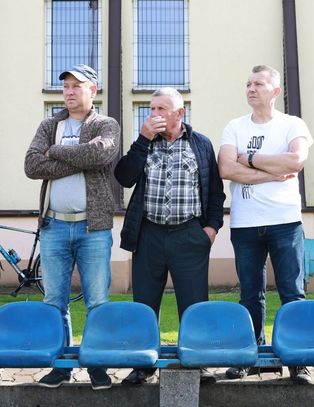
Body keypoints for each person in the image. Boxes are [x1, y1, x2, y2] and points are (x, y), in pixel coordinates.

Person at [114, 87, 225, 385]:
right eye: (151, 109)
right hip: (149, 234)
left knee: (194, 302)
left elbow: (215, 191)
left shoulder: (200, 144)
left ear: (179, 113)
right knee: (145, 302)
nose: (154, 114)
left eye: (161, 109)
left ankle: (197, 362)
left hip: (189, 234)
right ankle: (143, 364)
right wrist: (142, 140)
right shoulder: (144, 143)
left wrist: (211, 229)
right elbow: (123, 177)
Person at [24, 64, 120, 390]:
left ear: (93, 90)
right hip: (54, 226)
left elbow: (100, 155)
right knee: (54, 301)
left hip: (93, 228)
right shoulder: (49, 124)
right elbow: (31, 165)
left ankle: (97, 365)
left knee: (97, 301)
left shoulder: (105, 124)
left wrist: (55, 152)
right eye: (65, 86)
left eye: (76, 86)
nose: (68, 91)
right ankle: (61, 366)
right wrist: (77, 158)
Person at [217, 65, 313, 384]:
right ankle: (251, 356)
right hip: (245, 224)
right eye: (248, 83)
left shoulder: (292, 124)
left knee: (293, 292)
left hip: (285, 222)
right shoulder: (234, 127)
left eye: (258, 83)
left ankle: (297, 359)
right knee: (249, 294)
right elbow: (226, 169)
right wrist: (271, 174)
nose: (251, 88)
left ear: (275, 91)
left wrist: (250, 159)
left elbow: (295, 161)